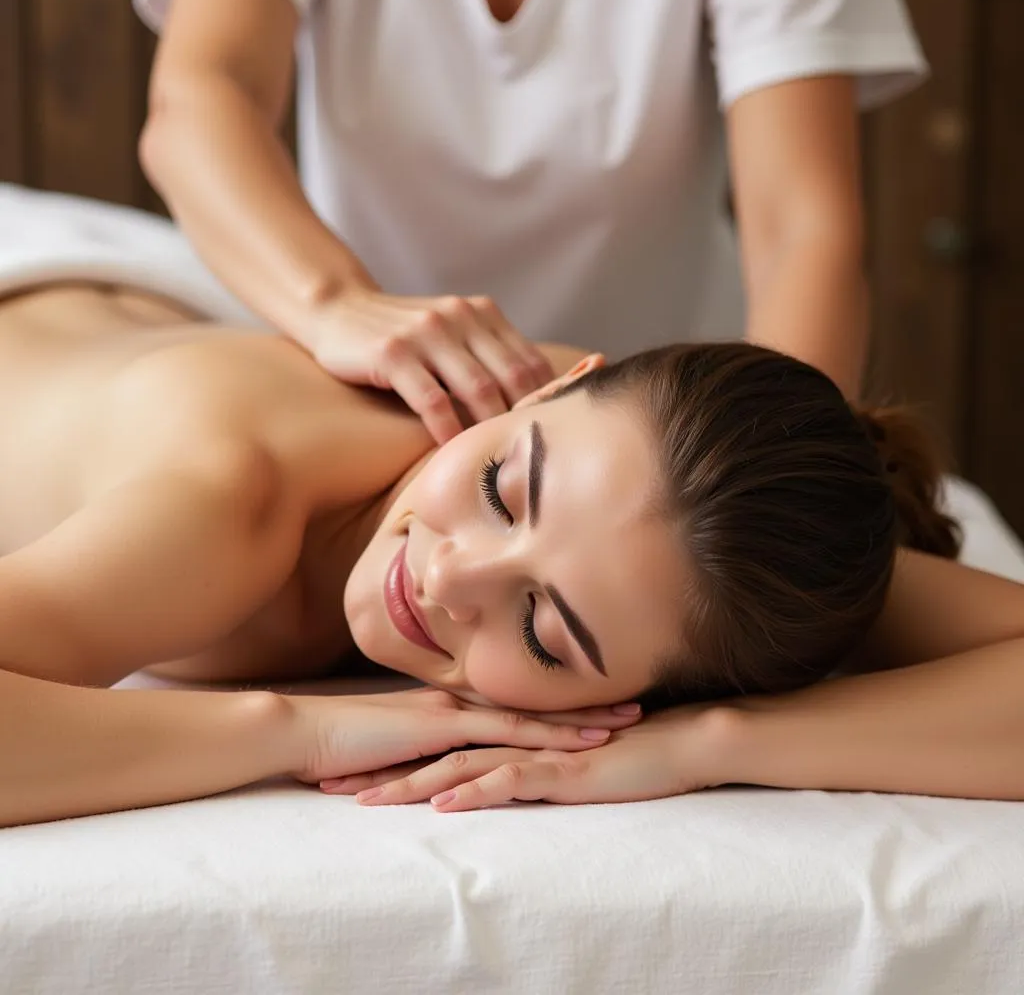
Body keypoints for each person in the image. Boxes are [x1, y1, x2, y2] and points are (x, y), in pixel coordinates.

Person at [2, 233, 1024, 830]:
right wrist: (295, 730)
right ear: (553, 381)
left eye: (544, 630)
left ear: (632, 693)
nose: (449, 575)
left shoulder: (674, 521)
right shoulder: (223, 504)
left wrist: (714, 745)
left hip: (133, 314)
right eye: (500, 487)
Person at [132, 0, 927, 444]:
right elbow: (204, 97)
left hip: (662, 429)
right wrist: (337, 305)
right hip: (370, 395)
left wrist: (760, 469)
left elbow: (800, 226)